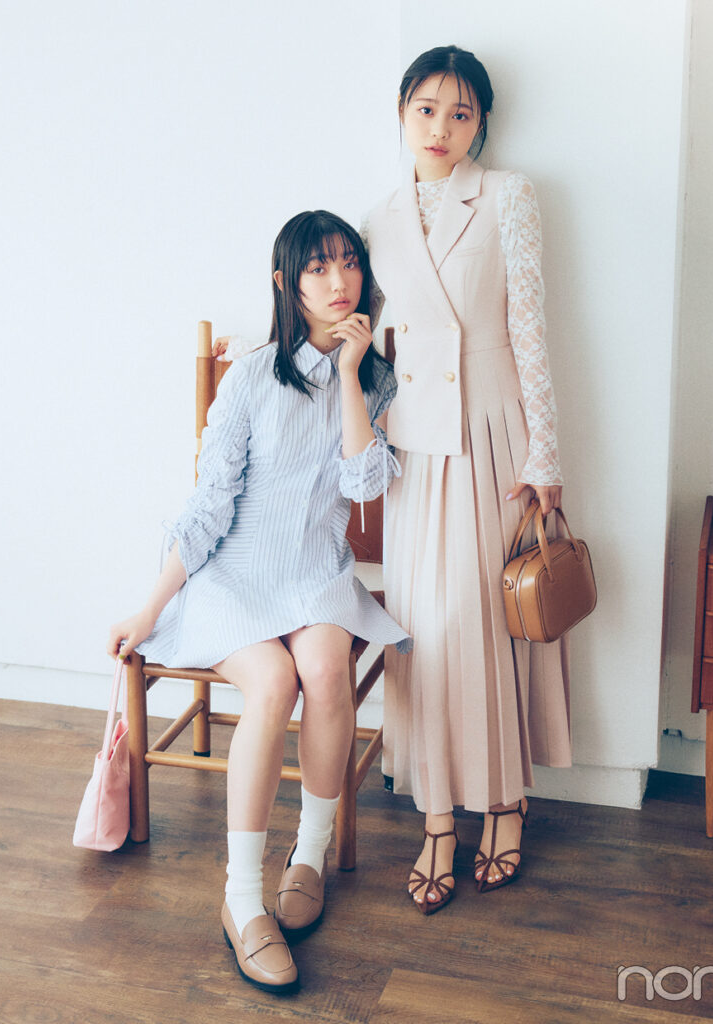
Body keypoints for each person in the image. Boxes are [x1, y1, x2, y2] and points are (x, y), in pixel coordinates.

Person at [107, 210, 409, 992]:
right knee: (274, 683)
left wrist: (350, 376)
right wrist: (150, 606)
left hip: (315, 573)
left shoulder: (375, 377)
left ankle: (308, 855)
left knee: (327, 670)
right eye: (318, 268)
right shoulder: (248, 377)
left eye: (349, 263)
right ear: (286, 282)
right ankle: (242, 900)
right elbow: (209, 506)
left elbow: (364, 486)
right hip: (234, 576)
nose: (339, 282)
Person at [363, 45, 571, 913]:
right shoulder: (377, 220)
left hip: (491, 434)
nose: (441, 128)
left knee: (489, 621)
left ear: (481, 121)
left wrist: (544, 454)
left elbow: (529, 328)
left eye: (461, 113)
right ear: (401, 112)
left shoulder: (508, 195)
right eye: (426, 109)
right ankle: (439, 817)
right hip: (415, 446)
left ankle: (507, 802)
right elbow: (369, 335)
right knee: (425, 630)